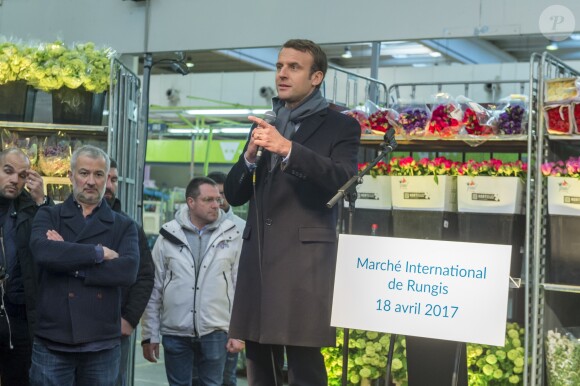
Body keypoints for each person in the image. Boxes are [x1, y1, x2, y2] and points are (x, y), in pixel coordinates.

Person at [224, 39, 360, 386]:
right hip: (259, 258)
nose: (282, 74)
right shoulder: (265, 123)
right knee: (258, 361)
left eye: (294, 67)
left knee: (304, 364)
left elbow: (343, 179)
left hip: (304, 263)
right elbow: (234, 193)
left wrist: (288, 149)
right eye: (280, 66)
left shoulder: (340, 126)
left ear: (317, 77)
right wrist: (250, 157)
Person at [29, 145, 139, 386]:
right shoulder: (49, 215)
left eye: (99, 174)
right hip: (53, 339)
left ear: (107, 179)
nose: (91, 181)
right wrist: (98, 253)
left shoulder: (123, 226)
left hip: (102, 342)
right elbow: (43, 252)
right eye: (84, 173)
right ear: (71, 176)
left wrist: (67, 258)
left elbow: (128, 271)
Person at [141, 177, 244, 386]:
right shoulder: (168, 235)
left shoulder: (232, 234)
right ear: (191, 202)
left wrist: (238, 333)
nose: (217, 204)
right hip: (175, 332)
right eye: (208, 200)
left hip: (215, 332)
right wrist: (149, 335)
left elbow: (240, 288)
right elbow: (154, 289)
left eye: (217, 199)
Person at [187, 171, 244, 386]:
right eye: (211, 197)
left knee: (227, 378)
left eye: (220, 195)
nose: (216, 202)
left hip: (226, 323)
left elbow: (241, 281)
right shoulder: (194, 226)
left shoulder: (240, 227)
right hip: (193, 325)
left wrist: (239, 329)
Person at [0, 148, 49, 386]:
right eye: (8, 171)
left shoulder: (31, 210)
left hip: (19, 314)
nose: (14, 180)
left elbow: (51, 243)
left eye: (21, 176)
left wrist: (41, 200)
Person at [106, 159, 155, 386]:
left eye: (112, 179)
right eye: (102, 177)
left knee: (114, 380)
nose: (107, 185)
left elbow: (144, 275)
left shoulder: (129, 226)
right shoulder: (64, 220)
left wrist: (129, 319)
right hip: (71, 329)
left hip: (114, 327)